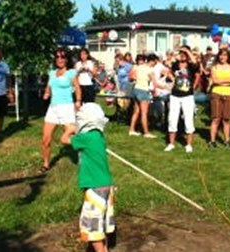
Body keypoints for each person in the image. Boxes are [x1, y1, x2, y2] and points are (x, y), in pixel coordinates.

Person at [60, 103, 115, 252]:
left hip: (94, 186)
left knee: (92, 226)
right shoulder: (98, 135)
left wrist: (69, 131)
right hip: (106, 184)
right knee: (101, 222)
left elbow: (64, 140)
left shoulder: (85, 137)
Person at [40, 48, 82, 173]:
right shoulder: (52, 73)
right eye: (57, 57)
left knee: (71, 138)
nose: (60, 59)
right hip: (53, 108)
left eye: (62, 57)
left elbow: (77, 87)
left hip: (66, 107)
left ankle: (84, 156)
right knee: (45, 139)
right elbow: (49, 87)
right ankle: (46, 164)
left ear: (67, 59)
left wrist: (78, 101)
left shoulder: (71, 73)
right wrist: (46, 93)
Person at [164, 46, 200, 153]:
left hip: (187, 96)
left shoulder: (191, 65)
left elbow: (195, 63)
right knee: (172, 119)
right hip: (175, 95)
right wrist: (173, 78)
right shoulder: (175, 64)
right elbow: (169, 70)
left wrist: (187, 51)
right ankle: (171, 144)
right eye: (182, 53)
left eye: (185, 53)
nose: (183, 55)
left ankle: (188, 144)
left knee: (188, 119)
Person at [128, 54, 163, 138]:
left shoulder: (139, 67)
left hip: (136, 89)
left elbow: (131, 76)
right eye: (155, 62)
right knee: (144, 113)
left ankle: (131, 130)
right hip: (143, 91)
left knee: (136, 112)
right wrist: (166, 87)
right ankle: (146, 132)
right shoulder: (150, 70)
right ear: (153, 61)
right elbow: (155, 83)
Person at [209, 48, 230, 148]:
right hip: (216, 93)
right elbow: (214, 80)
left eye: (225, 55)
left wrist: (222, 81)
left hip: (228, 93)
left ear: (228, 57)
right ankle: (212, 141)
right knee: (216, 118)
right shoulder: (214, 67)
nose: (222, 57)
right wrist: (226, 81)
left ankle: (227, 140)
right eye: (221, 55)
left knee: (226, 118)